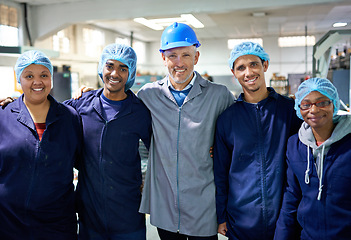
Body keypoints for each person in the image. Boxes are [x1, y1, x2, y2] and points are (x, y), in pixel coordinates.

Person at [137, 22, 235, 240]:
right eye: (172, 55)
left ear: (196, 57)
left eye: (186, 55)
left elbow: (239, 137)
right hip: (166, 207)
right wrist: (87, 96)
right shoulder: (148, 96)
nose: (179, 63)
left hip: (205, 206)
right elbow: (118, 107)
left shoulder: (220, 96)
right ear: (163, 58)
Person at [213, 41, 302, 240]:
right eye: (241, 67)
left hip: (284, 218)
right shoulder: (227, 119)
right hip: (240, 220)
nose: (248, 72)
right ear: (233, 72)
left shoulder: (289, 111)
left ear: (265, 66)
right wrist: (221, 216)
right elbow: (220, 172)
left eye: (254, 64)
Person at [64, 43, 152, 240]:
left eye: (123, 68)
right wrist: (14, 104)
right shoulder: (82, 103)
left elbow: (160, 149)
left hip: (127, 214)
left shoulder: (139, 112)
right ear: (101, 68)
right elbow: (47, 112)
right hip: (89, 213)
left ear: (131, 73)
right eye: (110, 66)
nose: (115, 73)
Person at [0, 50, 83, 239]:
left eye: (44, 75)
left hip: (57, 224)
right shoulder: (3, 116)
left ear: (51, 79)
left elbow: (83, 162)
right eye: (29, 76)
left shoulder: (70, 118)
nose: (37, 82)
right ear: (19, 79)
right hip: (8, 223)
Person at [274, 78, 351, 240]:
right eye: (306, 104)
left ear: (334, 104)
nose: (314, 110)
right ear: (299, 108)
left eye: (322, 102)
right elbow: (291, 198)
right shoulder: (295, 145)